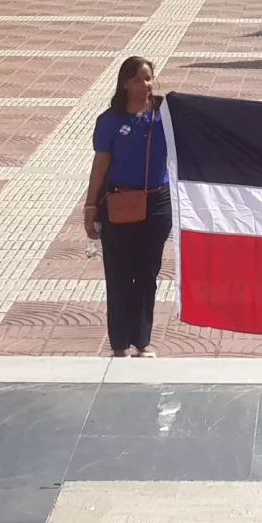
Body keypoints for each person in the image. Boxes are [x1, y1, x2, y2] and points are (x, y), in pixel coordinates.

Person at [83, 56, 170, 357]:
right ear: (124, 83)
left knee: (147, 275)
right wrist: (90, 206)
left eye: (149, 78)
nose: (146, 84)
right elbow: (101, 163)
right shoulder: (110, 121)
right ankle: (119, 345)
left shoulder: (165, 115)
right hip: (119, 204)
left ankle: (142, 343)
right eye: (138, 79)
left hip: (157, 203)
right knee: (119, 276)